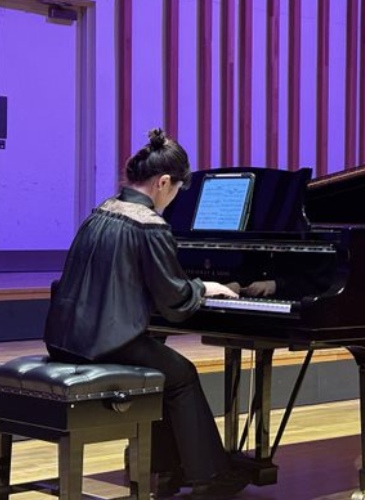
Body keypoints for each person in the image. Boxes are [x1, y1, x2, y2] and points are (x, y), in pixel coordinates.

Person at [43, 128, 250, 499]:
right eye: (176, 190)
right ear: (163, 182)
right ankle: (209, 478)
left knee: (162, 366)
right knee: (182, 374)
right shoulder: (149, 224)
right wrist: (205, 288)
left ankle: (167, 470)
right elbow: (174, 299)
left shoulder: (101, 211)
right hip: (103, 344)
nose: (173, 198)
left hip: (66, 338)